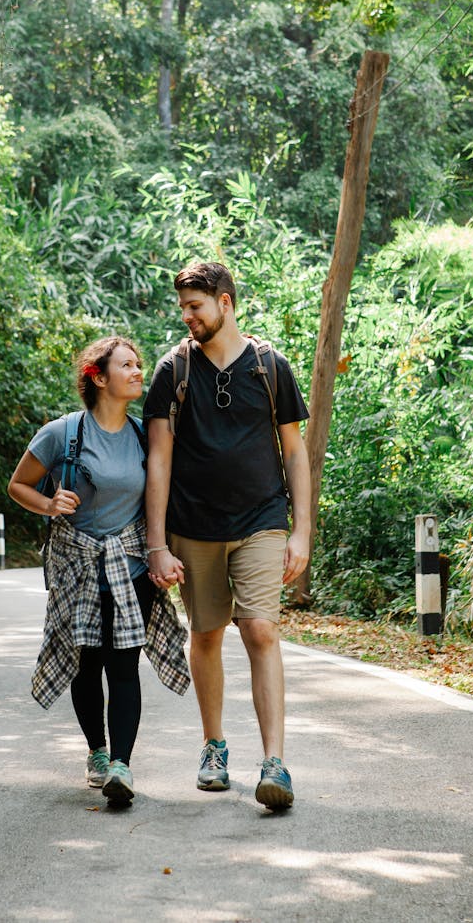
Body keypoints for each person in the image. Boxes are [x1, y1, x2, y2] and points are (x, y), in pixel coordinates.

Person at [143, 263, 311, 811]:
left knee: (260, 629)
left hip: (262, 519)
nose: (188, 317)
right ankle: (213, 748)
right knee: (208, 633)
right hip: (193, 526)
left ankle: (275, 764)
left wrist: (302, 530)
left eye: (196, 306)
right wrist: (157, 542)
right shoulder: (174, 370)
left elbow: (295, 451)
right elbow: (159, 459)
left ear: (226, 302)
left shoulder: (270, 367)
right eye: (183, 308)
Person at [8, 336, 189, 807]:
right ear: (99, 377)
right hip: (77, 564)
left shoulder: (141, 435)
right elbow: (17, 485)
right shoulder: (62, 434)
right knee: (86, 665)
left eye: (138, 365)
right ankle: (98, 753)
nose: (137, 372)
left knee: (124, 663)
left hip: (129, 564)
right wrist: (49, 503)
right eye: (126, 365)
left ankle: (122, 767)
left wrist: (160, 551)